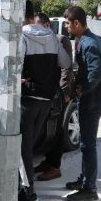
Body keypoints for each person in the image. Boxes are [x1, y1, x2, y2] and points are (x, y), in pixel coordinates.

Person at [19, 1, 71, 201]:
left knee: (22, 148)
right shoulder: (50, 35)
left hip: (27, 99)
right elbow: (66, 63)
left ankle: (28, 194)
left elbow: (15, 66)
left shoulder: (21, 35)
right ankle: (24, 188)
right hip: (46, 99)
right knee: (28, 147)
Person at [63, 6, 101, 201]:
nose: (66, 27)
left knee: (87, 145)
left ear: (77, 23)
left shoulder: (89, 44)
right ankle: (85, 179)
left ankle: (90, 189)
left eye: (67, 24)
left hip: (92, 101)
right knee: (87, 144)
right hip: (97, 98)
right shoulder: (95, 40)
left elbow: (96, 73)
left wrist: (81, 89)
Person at [34, 12, 75, 181]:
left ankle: (55, 166)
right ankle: (49, 161)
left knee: (57, 130)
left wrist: (63, 91)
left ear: (46, 25)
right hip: (44, 92)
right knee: (48, 129)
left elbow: (66, 68)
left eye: (38, 26)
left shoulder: (59, 39)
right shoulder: (37, 40)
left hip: (57, 92)